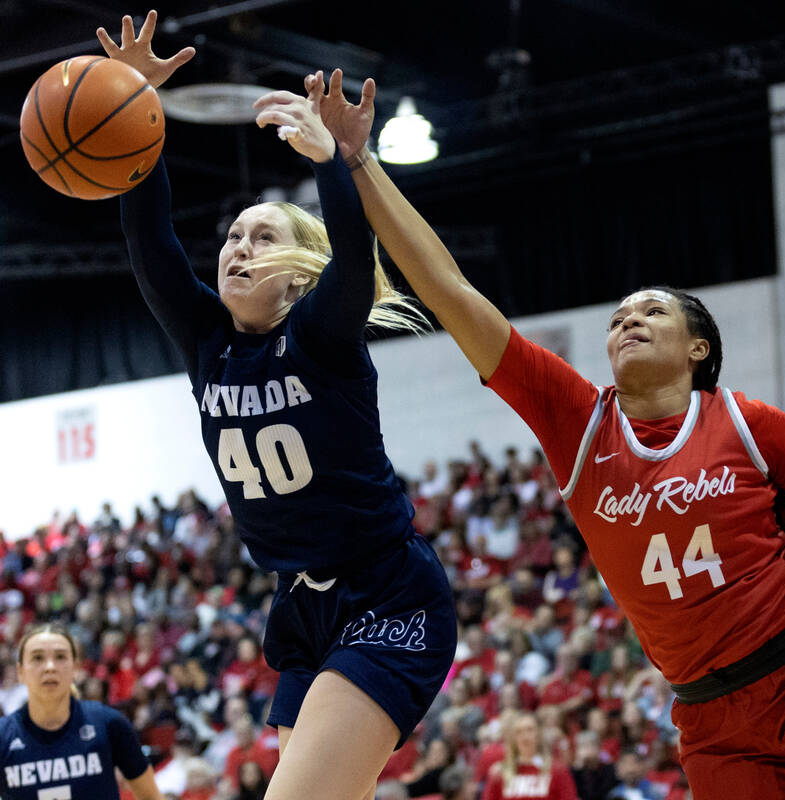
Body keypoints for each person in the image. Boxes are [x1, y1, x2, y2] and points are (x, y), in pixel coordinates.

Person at [297, 69, 785, 800]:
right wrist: (359, 165)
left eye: (651, 310)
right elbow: (447, 287)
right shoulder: (574, 420)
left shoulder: (750, 426)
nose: (627, 321)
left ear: (698, 347)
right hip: (708, 713)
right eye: (618, 317)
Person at [95, 13, 456, 800]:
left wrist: (332, 161)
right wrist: (132, 112)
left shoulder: (321, 335)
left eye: (260, 239)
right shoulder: (206, 343)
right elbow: (150, 241)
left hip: (387, 595)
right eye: (230, 237)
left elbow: (354, 265)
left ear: (297, 274)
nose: (235, 249)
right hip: (300, 605)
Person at [0, 624, 165, 800]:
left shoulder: (109, 723)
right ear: (20, 671)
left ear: (76, 667)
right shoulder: (3, 735)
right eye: (38, 658)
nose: (50, 667)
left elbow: (151, 797)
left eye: (60, 657)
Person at [480, 712, 578, 800]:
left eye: (530, 730)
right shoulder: (499, 773)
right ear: (513, 738)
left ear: (539, 734)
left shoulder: (558, 770)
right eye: (519, 732)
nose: (525, 736)